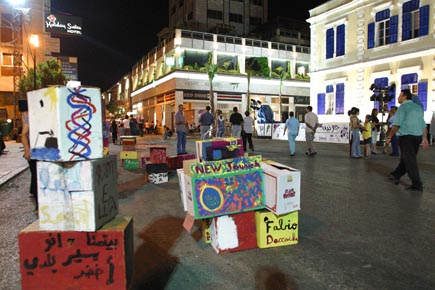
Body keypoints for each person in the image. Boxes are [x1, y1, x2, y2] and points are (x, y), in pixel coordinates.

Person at [386, 89, 429, 191]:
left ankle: (417, 184)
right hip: (417, 137)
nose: (398, 98)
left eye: (400, 96)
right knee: (407, 158)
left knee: (410, 160)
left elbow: (396, 125)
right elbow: (423, 125)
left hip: (406, 137)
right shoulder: (418, 108)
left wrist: (389, 137)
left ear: (405, 96)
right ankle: (396, 174)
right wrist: (425, 138)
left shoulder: (403, 107)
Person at [21, 111, 38, 215]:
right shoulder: (28, 114)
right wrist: (27, 150)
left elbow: (24, 134)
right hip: (37, 151)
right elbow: (24, 134)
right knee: (36, 178)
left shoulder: (28, 113)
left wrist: (27, 149)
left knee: (36, 177)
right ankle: (39, 206)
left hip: (36, 150)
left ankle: (39, 207)